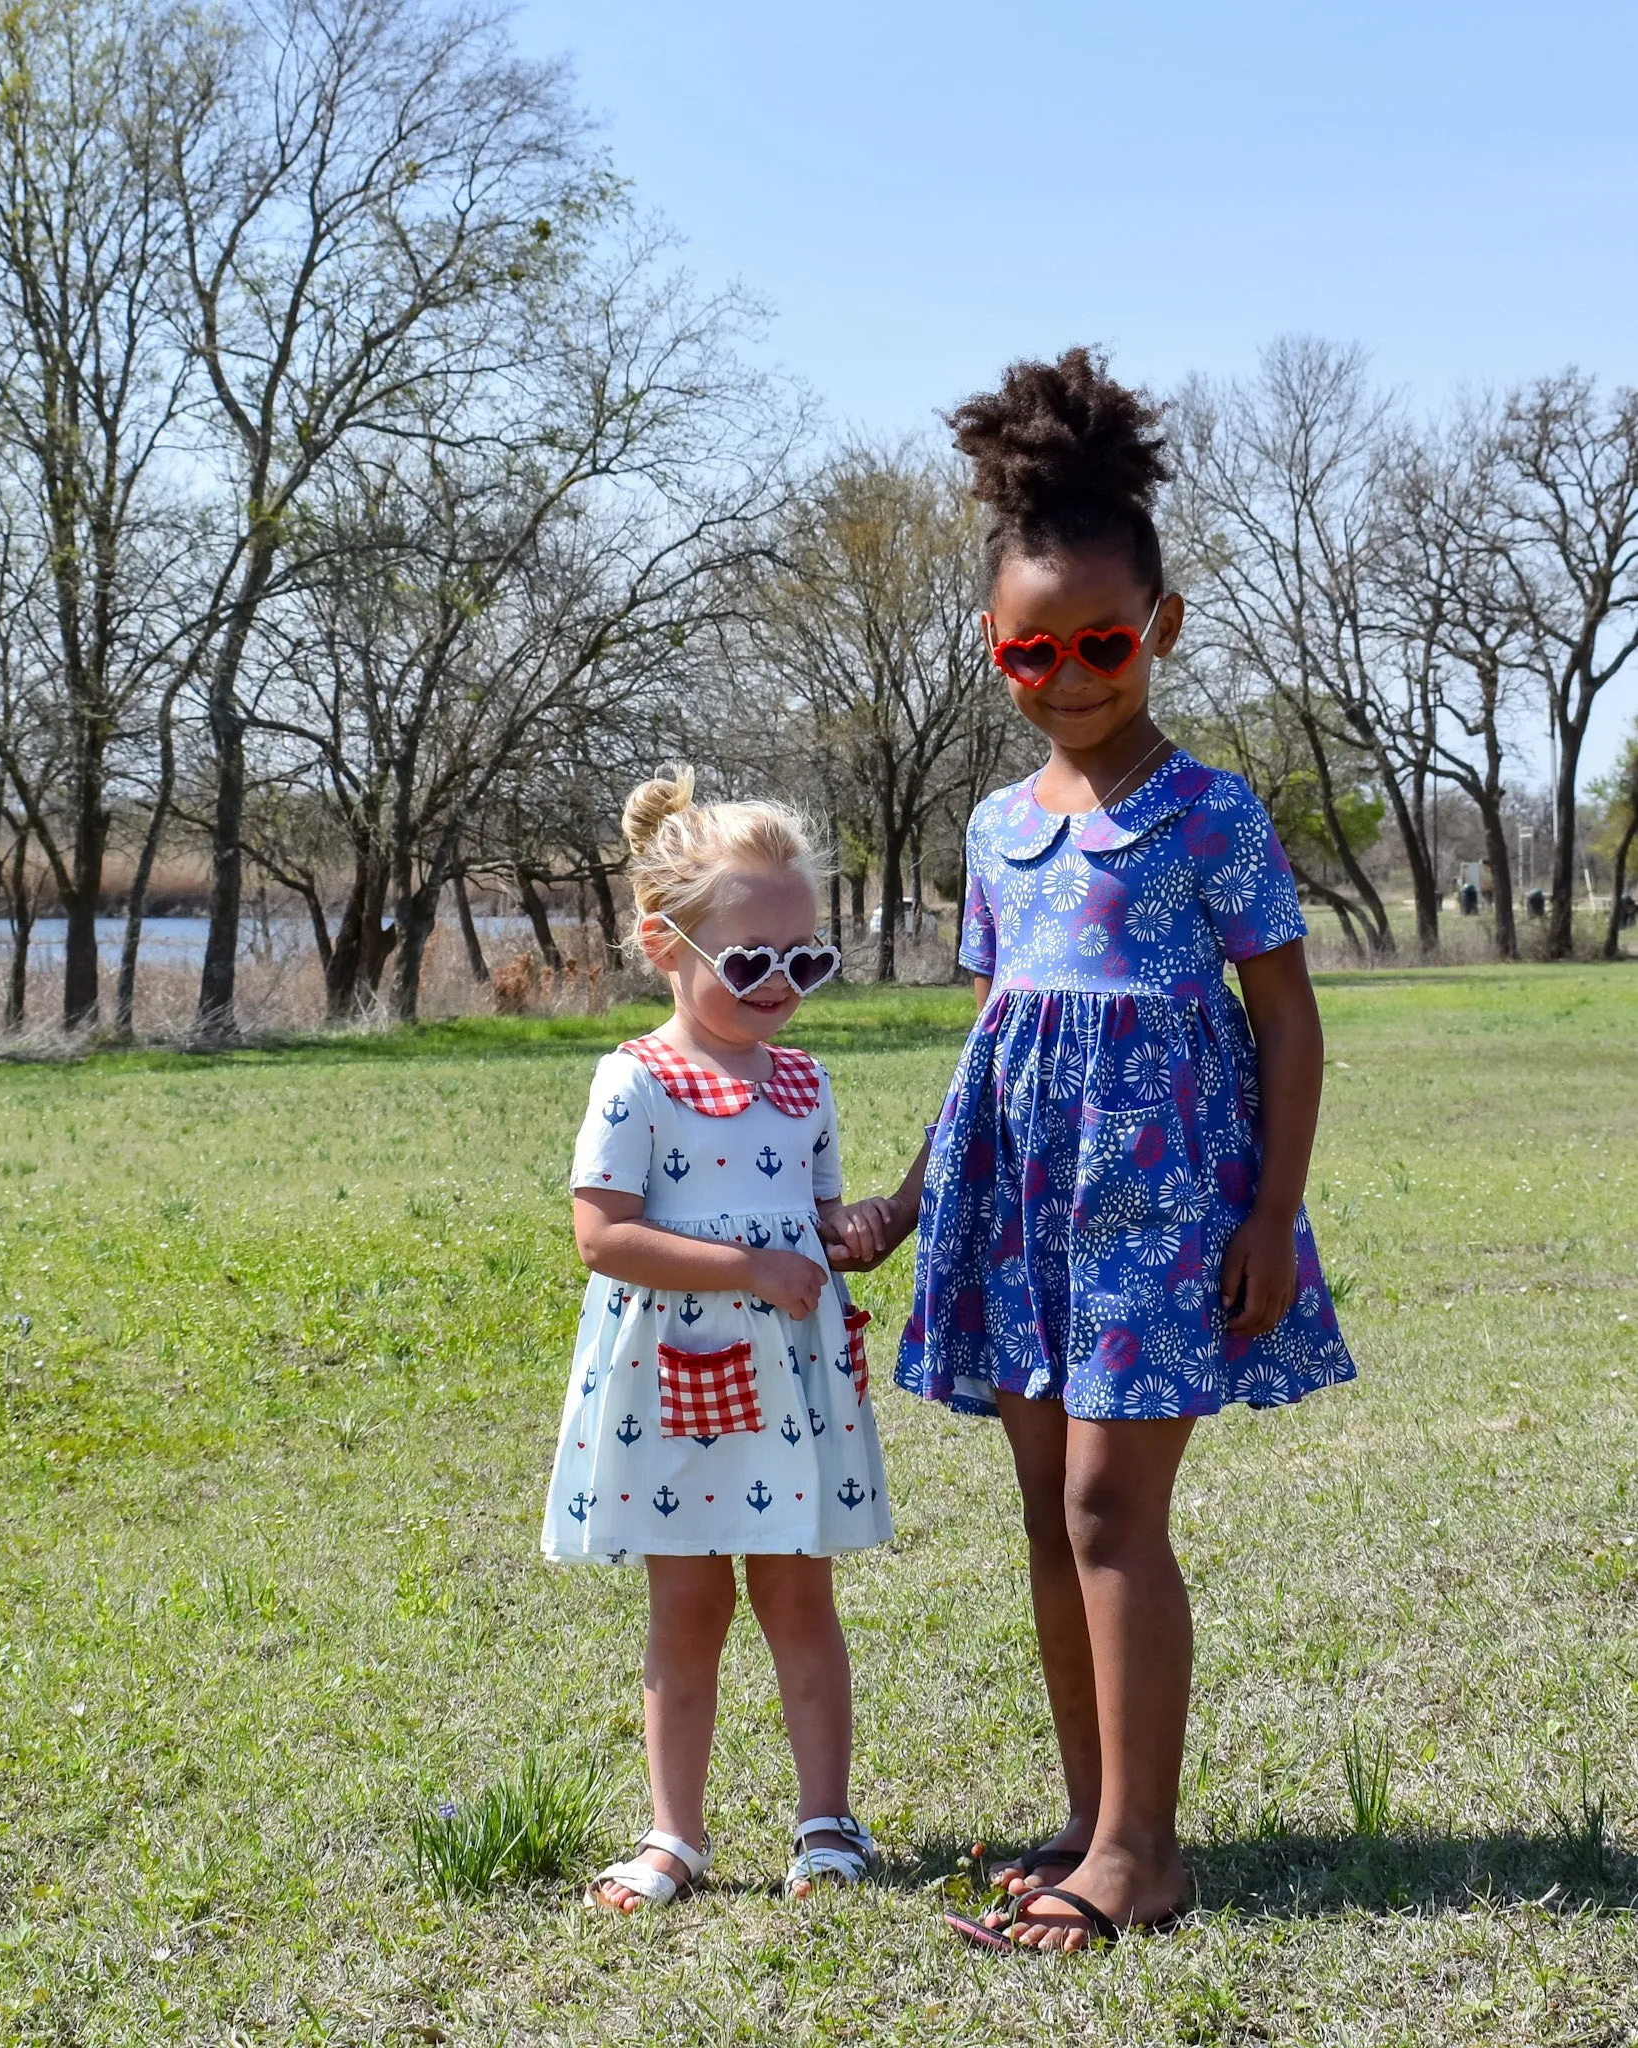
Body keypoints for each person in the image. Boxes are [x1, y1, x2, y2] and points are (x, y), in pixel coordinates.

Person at [820, 350, 1357, 1954]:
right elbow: (994, 1043)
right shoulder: (993, 829)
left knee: (1121, 1515)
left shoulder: (1212, 816)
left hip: (1164, 1208)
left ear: (1161, 629)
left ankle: (1144, 1853)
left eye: (1103, 644)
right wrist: (919, 1199)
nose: (1070, 675)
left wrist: (1273, 1207)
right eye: (1032, 650)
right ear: (997, 651)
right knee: (1053, 1514)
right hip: (1025, 1213)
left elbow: (1289, 1023)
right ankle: (1090, 1816)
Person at [542, 768, 895, 1912]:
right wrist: (749, 1267)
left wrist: (861, 1225)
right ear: (664, 943)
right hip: (674, 1383)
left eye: (807, 959)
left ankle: (825, 1820)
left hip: (785, 1385)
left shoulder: (804, 1080)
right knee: (685, 1607)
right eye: (750, 962)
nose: (781, 985)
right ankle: (673, 1833)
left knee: (800, 1596)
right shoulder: (634, 1079)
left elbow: (820, 1218)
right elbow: (603, 1237)